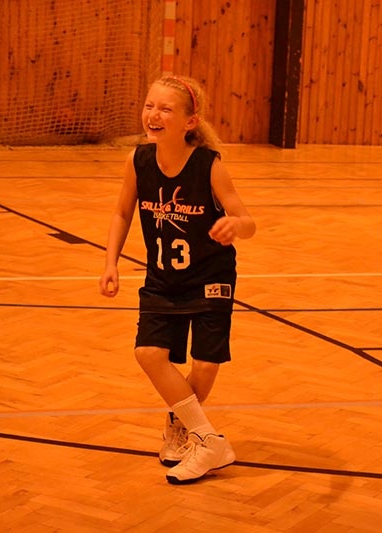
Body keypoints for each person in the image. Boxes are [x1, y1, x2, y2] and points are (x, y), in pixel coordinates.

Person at [99, 75, 256, 484]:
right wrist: (111, 262)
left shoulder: (209, 165)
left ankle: (183, 428)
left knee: (204, 365)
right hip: (163, 277)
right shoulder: (138, 161)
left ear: (190, 122)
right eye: (150, 105)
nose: (154, 114)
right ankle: (208, 439)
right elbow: (122, 212)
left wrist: (235, 225)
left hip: (210, 276)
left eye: (165, 109)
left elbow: (249, 221)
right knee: (149, 353)